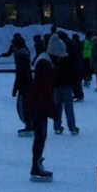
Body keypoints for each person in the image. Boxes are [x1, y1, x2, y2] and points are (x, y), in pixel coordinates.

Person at [24, 40, 58, 180]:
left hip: (37, 105)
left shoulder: (45, 62)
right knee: (40, 136)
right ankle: (36, 165)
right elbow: (44, 91)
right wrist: (53, 112)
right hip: (38, 106)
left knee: (41, 136)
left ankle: (37, 164)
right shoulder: (45, 64)